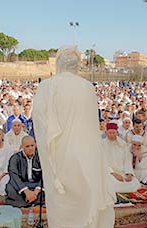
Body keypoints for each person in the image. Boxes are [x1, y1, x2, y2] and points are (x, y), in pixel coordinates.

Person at [32, 46, 115, 228]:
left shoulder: (46, 86)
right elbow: (93, 128)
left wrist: (48, 154)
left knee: (62, 206)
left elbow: (39, 121)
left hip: (58, 156)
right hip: (86, 156)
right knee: (86, 202)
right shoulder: (87, 88)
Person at [6, 136, 43, 207]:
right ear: (22, 146)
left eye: (32, 145)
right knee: (10, 189)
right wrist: (26, 191)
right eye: (27, 146)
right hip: (21, 184)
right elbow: (14, 176)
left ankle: (27, 201)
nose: (30, 148)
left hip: (36, 185)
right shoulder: (15, 158)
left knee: (48, 190)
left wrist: (36, 191)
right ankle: (33, 202)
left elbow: (45, 175)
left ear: (35, 145)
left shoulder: (41, 157)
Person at [103, 122, 140, 193]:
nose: (112, 135)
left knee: (135, 183)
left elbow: (127, 160)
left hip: (122, 172)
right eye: (110, 132)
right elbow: (102, 162)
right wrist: (114, 174)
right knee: (112, 184)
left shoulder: (123, 144)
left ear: (117, 133)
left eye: (113, 133)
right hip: (109, 173)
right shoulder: (102, 144)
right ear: (106, 132)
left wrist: (129, 173)